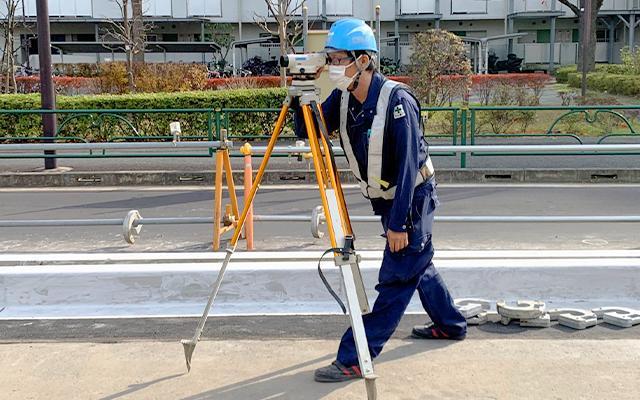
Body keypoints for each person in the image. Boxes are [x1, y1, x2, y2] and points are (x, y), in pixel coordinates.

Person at [293, 18, 468, 383]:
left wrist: (399, 224)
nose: (333, 66)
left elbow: (406, 167)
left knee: (397, 277)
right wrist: (299, 95)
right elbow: (307, 130)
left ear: (363, 61)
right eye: (330, 58)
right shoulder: (343, 98)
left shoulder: (398, 101)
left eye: (339, 58)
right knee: (419, 265)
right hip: (389, 199)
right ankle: (451, 324)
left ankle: (356, 357)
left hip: (412, 198)